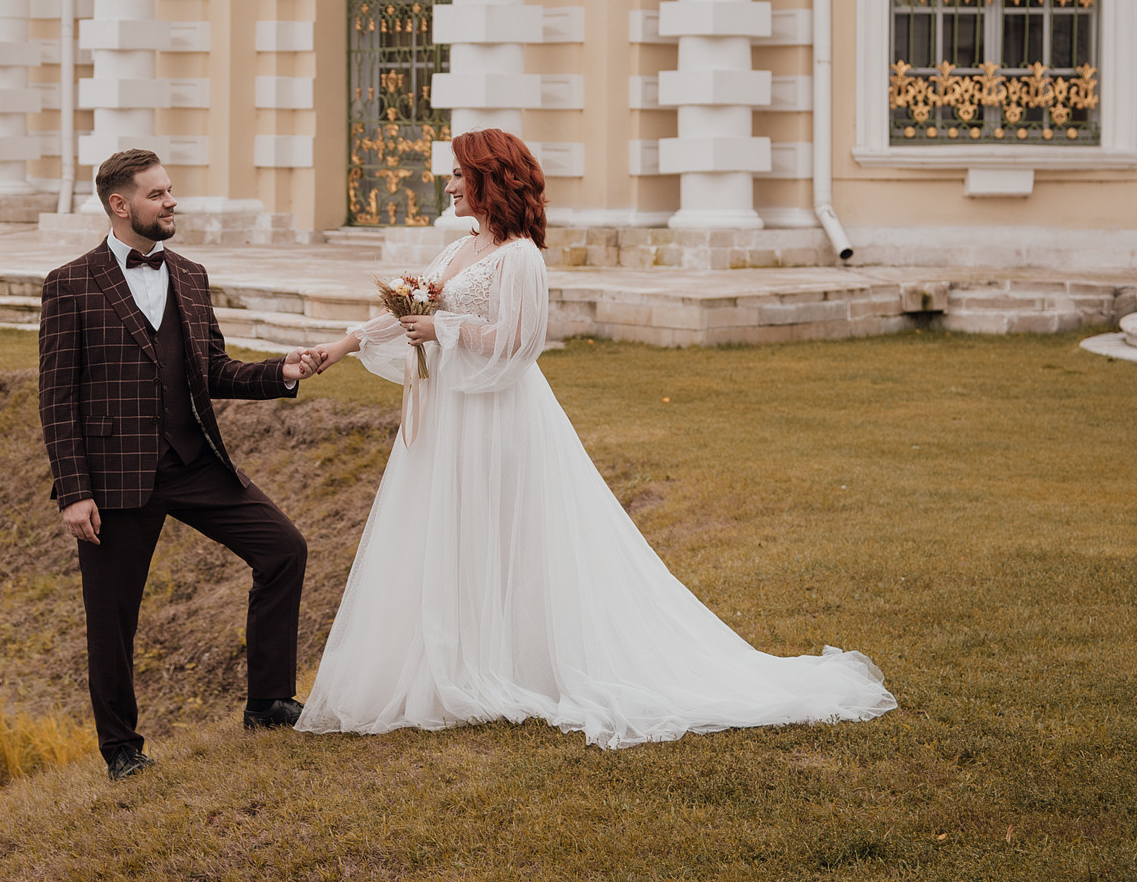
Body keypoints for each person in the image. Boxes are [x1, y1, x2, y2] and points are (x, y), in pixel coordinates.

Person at [293, 128, 897, 747]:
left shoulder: (521, 257)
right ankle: (459, 657)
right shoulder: (455, 251)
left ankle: (515, 661)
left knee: (512, 532)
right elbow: (406, 313)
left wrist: (444, 331)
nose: (446, 184)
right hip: (451, 413)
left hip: (500, 415)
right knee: (451, 529)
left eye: (456, 175)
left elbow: (521, 342)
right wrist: (338, 347)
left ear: (488, 179)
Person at [40, 149, 322, 780]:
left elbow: (213, 369)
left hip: (194, 463)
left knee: (283, 548)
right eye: (158, 194)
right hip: (112, 480)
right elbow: (56, 397)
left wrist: (281, 371)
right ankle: (121, 750)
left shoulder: (190, 275)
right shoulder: (69, 283)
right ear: (120, 205)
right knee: (112, 618)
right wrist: (73, 492)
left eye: (171, 191)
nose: (172, 203)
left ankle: (269, 701)